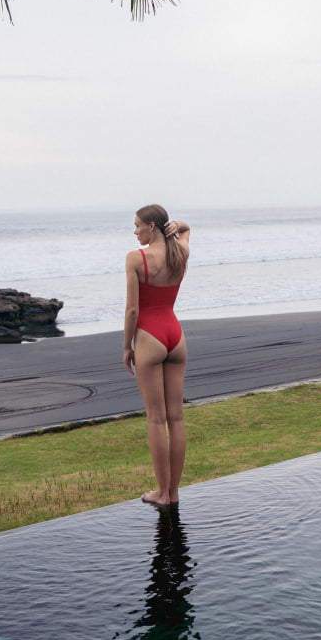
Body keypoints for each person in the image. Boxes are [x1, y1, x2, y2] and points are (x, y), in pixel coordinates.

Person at [124, 205, 190, 507]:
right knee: (176, 418)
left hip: (149, 336)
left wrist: (128, 346)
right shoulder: (180, 253)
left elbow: (133, 310)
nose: (135, 231)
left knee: (156, 419)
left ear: (152, 226)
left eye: (138, 225)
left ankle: (162, 493)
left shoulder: (136, 259)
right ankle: (174, 492)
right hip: (175, 337)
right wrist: (176, 226)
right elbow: (187, 230)